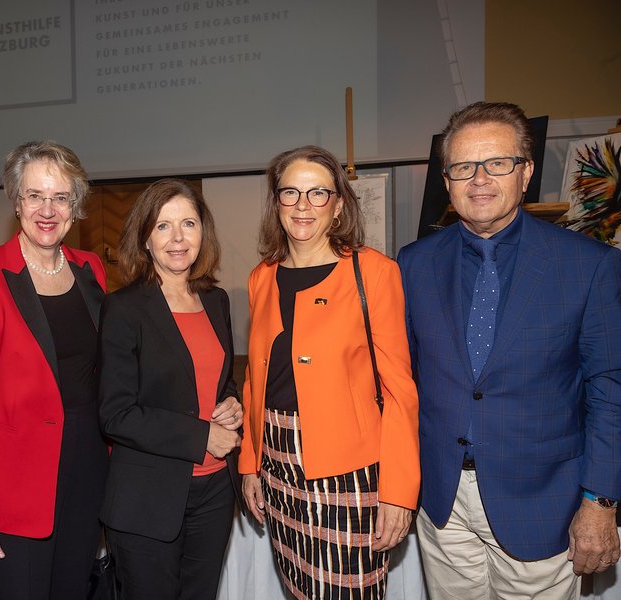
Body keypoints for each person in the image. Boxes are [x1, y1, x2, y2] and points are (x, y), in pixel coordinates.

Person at [397, 101, 621, 599]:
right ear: (446, 180)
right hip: (441, 501)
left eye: (497, 163)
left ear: (526, 171)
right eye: (462, 167)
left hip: (543, 501)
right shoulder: (413, 264)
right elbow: (402, 378)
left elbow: (611, 390)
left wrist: (600, 501)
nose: (479, 179)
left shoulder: (589, 266)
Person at [239, 145, 420, 599]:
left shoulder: (374, 273)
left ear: (338, 204)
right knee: (299, 587)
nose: (303, 205)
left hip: (349, 472)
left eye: (318, 193)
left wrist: (398, 492)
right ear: (276, 202)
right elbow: (255, 381)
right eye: (291, 193)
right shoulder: (261, 276)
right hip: (277, 465)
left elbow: (399, 390)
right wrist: (250, 462)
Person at [0, 141, 108, 599]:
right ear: (16, 202)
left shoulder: (92, 269)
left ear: (75, 205)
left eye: (60, 197)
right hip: (12, 491)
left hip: (86, 479)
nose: (48, 210)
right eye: (35, 195)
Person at [98, 178, 243, 600]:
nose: (178, 238)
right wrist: (203, 436)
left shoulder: (216, 301)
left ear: (203, 232)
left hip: (215, 492)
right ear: (145, 238)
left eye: (189, 224)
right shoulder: (124, 308)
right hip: (148, 499)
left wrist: (232, 404)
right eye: (163, 226)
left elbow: (220, 380)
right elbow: (115, 413)